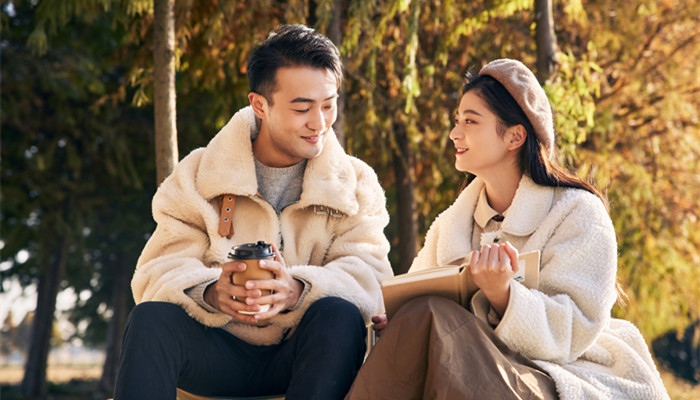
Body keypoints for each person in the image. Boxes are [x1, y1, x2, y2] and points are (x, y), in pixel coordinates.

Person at [346, 59, 669, 399]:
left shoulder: (577, 213)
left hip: (555, 372)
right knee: (419, 315)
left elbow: (575, 328)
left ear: (515, 135)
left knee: (431, 317)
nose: (455, 133)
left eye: (470, 121)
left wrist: (504, 295)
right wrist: (396, 324)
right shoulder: (451, 225)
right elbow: (413, 296)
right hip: (467, 368)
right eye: (457, 121)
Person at [114, 24, 393, 400]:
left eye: (328, 105)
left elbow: (372, 279)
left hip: (305, 355)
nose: (320, 123)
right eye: (302, 108)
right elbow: (155, 271)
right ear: (259, 105)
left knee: (339, 316)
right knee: (149, 320)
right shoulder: (199, 174)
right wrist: (211, 292)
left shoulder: (356, 184)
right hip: (215, 352)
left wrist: (297, 290)